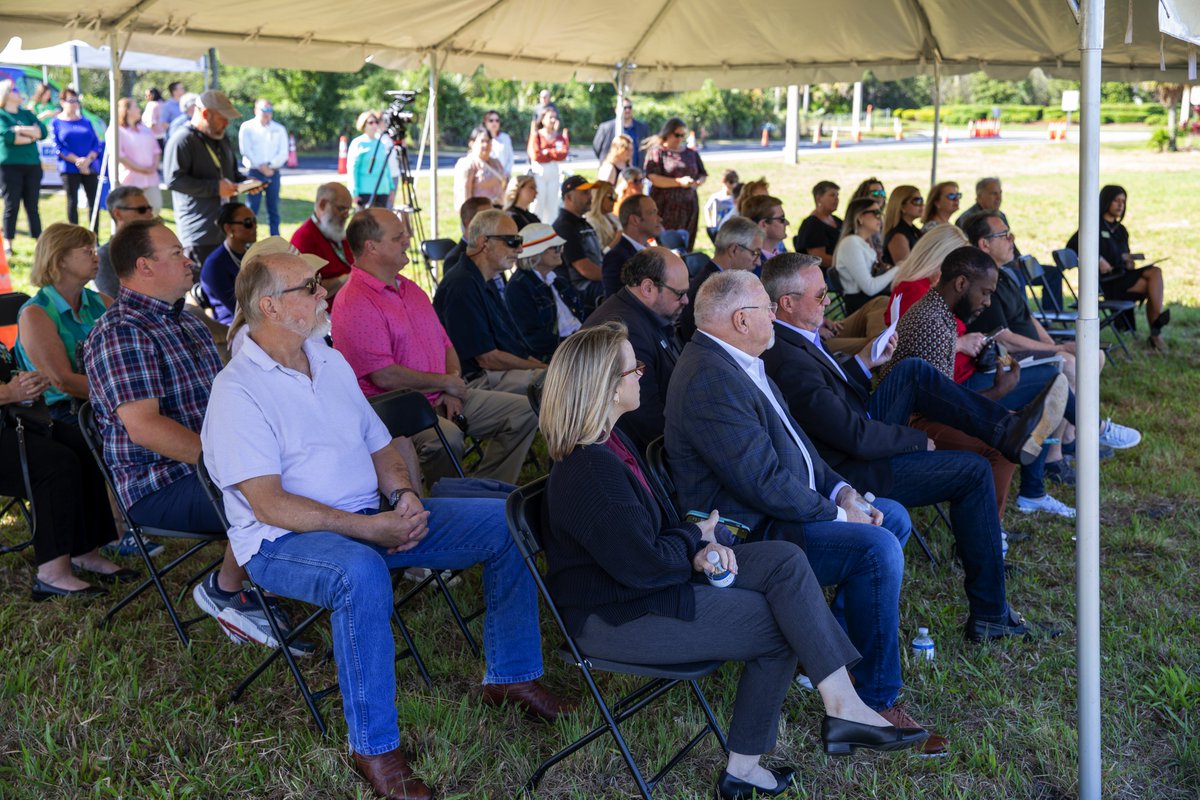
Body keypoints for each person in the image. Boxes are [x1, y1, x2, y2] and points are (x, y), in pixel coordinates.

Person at [203, 248, 569, 800]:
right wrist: (366, 528)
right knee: (361, 574)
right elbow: (267, 504)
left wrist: (402, 497)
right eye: (311, 286)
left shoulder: (325, 357)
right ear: (270, 306)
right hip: (284, 542)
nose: (325, 292)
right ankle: (374, 748)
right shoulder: (237, 390)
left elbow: (380, 445)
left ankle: (512, 675)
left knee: (505, 520)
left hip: (368, 515)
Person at [541, 322, 926, 799]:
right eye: (633, 368)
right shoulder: (590, 470)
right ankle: (748, 765)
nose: (642, 375)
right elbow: (643, 566)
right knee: (782, 625)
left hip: (647, 585)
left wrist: (704, 543)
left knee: (785, 561)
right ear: (605, 386)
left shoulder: (612, 447)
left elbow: (648, 545)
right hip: (617, 614)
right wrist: (695, 540)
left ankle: (842, 703)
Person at [665, 269, 936, 738]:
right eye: (767, 308)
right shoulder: (709, 377)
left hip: (780, 511)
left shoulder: (740, 358)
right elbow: (762, 483)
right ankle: (874, 699)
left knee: (890, 517)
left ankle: (822, 654)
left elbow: (800, 447)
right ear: (742, 319)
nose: (776, 313)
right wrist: (837, 514)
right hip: (748, 532)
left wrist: (843, 492)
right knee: (877, 546)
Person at [760, 253, 1065, 649]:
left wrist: (864, 362)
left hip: (852, 435)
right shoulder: (787, 356)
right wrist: (916, 440)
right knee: (973, 472)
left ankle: (1007, 430)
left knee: (911, 371)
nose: (826, 302)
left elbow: (827, 404)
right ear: (787, 303)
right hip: (846, 470)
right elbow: (852, 436)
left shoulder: (795, 341)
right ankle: (991, 615)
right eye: (820, 296)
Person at [83, 219, 288, 648]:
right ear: (145, 266)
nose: (188, 258)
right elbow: (145, 429)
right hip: (158, 484)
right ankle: (227, 589)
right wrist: (237, 459)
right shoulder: (122, 331)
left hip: (207, 469)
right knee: (278, 486)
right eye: (176, 252)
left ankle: (271, 576)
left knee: (303, 465)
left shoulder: (188, 322)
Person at [334, 208, 538, 485]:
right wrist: (443, 383)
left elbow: (445, 343)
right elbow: (384, 375)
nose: (408, 240)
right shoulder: (356, 301)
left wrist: (449, 385)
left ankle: (487, 490)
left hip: (443, 393)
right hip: (398, 411)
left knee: (524, 411)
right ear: (371, 247)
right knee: (447, 440)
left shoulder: (409, 287)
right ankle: (451, 502)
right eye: (398, 237)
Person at [882, 245, 1081, 519]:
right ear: (961, 283)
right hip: (909, 428)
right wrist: (998, 392)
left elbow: (946, 403)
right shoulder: (933, 323)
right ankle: (990, 534)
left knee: (1015, 426)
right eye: (985, 293)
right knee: (1002, 447)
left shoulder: (939, 314)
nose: (987, 302)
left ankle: (1035, 439)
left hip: (921, 417)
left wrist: (999, 391)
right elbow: (941, 411)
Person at [1, 342, 127, 600]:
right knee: (53, 463)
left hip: (12, 422)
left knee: (82, 443)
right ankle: (52, 575)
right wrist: (10, 393)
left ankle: (86, 552)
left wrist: (26, 384)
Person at [584, 247, 690, 454]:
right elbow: (646, 417)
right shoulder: (624, 332)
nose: (686, 301)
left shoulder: (639, 315)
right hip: (637, 451)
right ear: (648, 288)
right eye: (680, 294)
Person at [433, 210, 547, 392]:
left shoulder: (485, 281)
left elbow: (511, 345)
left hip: (498, 372)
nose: (519, 249)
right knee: (557, 383)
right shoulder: (462, 285)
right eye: (512, 241)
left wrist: (539, 365)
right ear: (483, 242)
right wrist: (542, 369)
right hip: (477, 379)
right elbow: (487, 359)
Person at [15, 223, 112, 423]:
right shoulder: (36, 313)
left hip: (104, 402)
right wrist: (125, 394)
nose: (96, 257)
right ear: (60, 260)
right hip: (63, 413)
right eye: (88, 251)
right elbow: (63, 381)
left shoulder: (101, 301)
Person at [1067, 184, 1169, 348]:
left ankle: (1155, 333)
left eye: (1123, 201)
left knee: (1154, 275)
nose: (1120, 205)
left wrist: (1128, 262)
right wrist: (1097, 259)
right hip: (1106, 282)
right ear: (1106, 201)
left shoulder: (1121, 230)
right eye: (1116, 200)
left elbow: (1122, 256)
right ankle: (1156, 331)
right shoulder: (1093, 225)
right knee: (1154, 275)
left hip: (1122, 276)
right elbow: (1071, 247)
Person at [162, 90, 247, 267]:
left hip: (229, 228)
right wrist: (215, 188)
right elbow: (174, 180)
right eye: (223, 118)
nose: (227, 123)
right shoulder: (183, 139)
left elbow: (231, 174)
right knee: (203, 288)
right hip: (201, 232)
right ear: (206, 114)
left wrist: (247, 183)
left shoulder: (221, 138)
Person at [677, 215, 763, 343]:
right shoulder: (711, 290)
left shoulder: (718, 281)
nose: (758, 263)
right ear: (734, 250)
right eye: (755, 253)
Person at [507, 222, 583, 362]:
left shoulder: (558, 280)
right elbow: (534, 340)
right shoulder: (518, 288)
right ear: (535, 254)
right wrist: (577, 345)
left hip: (577, 345)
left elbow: (579, 315)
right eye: (555, 248)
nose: (560, 251)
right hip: (559, 356)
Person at [643, 117, 706, 251]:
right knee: (664, 244)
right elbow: (653, 177)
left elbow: (702, 173)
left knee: (686, 244)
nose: (680, 139)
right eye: (677, 135)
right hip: (665, 207)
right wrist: (678, 182)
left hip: (689, 206)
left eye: (683, 135)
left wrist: (698, 182)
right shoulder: (658, 152)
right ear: (668, 133)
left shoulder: (691, 153)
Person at [0, 79, 47, 255]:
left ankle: (39, 242)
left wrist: (20, 130)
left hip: (32, 166)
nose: (18, 92)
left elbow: (42, 132)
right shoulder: (2, 115)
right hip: (9, 167)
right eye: (14, 89)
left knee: (33, 206)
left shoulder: (27, 113)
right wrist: (30, 135)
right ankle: (8, 243)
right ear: (5, 93)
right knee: (11, 205)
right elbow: (7, 137)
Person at [290, 182, 355, 299]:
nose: (346, 215)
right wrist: (348, 278)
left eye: (348, 210)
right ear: (322, 204)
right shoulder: (304, 238)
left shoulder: (335, 231)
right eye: (341, 209)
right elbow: (307, 290)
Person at [834, 197, 897, 313]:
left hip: (872, 302)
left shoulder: (862, 242)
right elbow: (870, 288)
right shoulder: (851, 243)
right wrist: (899, 268)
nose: (880, 217)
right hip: (862, 306)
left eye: (881, 213)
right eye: (876, 213)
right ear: (860, 217)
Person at [49, 89, 101, 229]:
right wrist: (77, 161)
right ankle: (74, 235)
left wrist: (87, 160)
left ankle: (94, 235)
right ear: (62, 102)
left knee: (93, 202)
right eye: (70, 101)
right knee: (73, 202)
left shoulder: (86, 122)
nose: (74, 104)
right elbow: (58, 147)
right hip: (69, 168)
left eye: (76, 100)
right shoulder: (56, 123)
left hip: (89, 167)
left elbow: (96, 144)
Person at [200, 202, 258, 325]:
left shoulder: (250, 254)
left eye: (254, 220)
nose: (254, 226)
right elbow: (237, 309)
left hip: (257, 317)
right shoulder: (215, 265)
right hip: (233, 326)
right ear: (229, 228)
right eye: (248, 222)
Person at [552, 175, 604, 310]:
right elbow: (585, 269)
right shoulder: (564, 227)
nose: (590, 197)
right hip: (581, 290)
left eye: (590, 192)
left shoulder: (582, 224)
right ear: (568, 197)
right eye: (585, 193)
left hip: (593, 284)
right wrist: (615, 276)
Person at [237, 99, 288, 236]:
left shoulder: (279, 128)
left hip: (273, 172)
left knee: (274, 209)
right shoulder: (247, 127)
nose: (267, 114)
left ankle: (275, 240)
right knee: (251, 209)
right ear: (255, 110)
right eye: (263, 110)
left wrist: (270, 166)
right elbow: (246, 150)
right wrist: (261, 166)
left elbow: (283, 152)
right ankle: (247, 238)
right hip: (254, 172)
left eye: (269, 111)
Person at [94, 186, 156, 298]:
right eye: (142, 210)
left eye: (149, 209)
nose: (150, 215)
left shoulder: (156, 247)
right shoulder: (105, 256)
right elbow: (115, 301)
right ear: (118, 214)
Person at [600, 194, 662, 298]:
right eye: (652, 212)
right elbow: (616, 304)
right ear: (635, 220)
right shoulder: (617, 258)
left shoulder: (647, 250)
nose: (660, 219)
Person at [107, 97, 162, 212]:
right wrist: (141, 169)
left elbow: (156, 150)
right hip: (130, 180)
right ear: (127, 110)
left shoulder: (145, 129)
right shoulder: (116, 131)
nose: (139, 109)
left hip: (150, 179)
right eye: (135, 107)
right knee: (132, 213)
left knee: (154, 209)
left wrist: (153, 167)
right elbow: (119, 156)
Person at [527, 107, 568, 223]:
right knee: (538, 203)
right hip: (540, 173)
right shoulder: (537, 135)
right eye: (550, 117)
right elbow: (535, 154)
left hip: (553, 174)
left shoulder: (558, 136)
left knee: (552, 205)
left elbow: (563, 154)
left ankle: (551, 229)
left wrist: (547, 152)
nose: (553, 120)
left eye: (554, 117)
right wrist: (553, 153)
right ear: (543, 119)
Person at [348, 110, 395, 211]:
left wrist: (391, 187)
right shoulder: (358, 143)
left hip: (383, 190)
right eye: (371, 122)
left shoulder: (381, 143)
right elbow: (352, 169)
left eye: (376, 122)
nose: (374, 125)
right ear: (363, 125)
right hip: (365, 191)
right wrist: (354, 192)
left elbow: (386, 168)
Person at [453, 126, 506, 210]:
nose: (486, 144)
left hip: (498, 210)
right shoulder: (467, 164)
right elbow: (464, 195)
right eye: (482, 141)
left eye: (488, 141)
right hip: (478, 212)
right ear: (472, 143)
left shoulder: (496, 163)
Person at [793, 180, 841, 270]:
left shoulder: (837, 220)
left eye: (837, 195)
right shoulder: (812, 224)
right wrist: (845, 263)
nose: (836, 199)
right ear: (818, 198)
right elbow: (819, 257)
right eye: (832, 195)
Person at [592, 97, 650, 169]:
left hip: (636, 173)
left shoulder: (642, 128)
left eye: (630, 107)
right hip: (612, 173)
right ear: (616, 110)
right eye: (624, 107)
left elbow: (647, 148)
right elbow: (596, 148)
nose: (627, 110)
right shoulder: (605, 128)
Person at [443, 197, 494, 276]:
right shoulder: (455, 260)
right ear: (469, 223)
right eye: (487, 218)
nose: (494, 222)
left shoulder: (491, 250)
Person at [739, 194, 789, 263]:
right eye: (781, 219)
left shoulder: (781, 254)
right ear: (763, 224)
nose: (787, 223)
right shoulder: (752, 265)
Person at [881, 185, 922, 266]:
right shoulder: (898, 236)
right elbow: (906, 269)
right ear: (902, 207)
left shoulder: (913, 230)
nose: (921, 205)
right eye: (916, 201)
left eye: (921, 201)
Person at [584, 181, 620, 251]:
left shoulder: (612, 217)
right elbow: (600, 254)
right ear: (599, 197)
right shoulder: (591, 223)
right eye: (611, 197)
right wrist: (617, 239)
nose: (615, 200)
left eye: (615, 196)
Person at [482, 110, 514, 179]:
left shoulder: (505, 137)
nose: (494, 123)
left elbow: (510, 158)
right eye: (491, 120)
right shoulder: (481, 140)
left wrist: (506, 172)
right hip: (487, 177)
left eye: (497, 120)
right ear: (485, 122)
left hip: (504, 176)